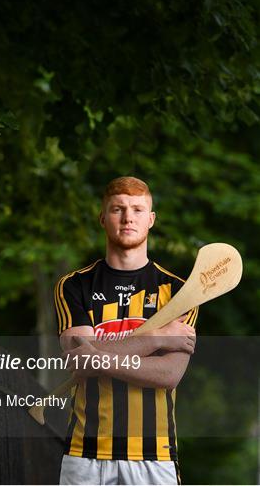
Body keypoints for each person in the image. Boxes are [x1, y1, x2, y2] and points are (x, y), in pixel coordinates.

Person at [54, 176, 198, 485]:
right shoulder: (74, 286)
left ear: (151, 219)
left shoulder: (180, 292)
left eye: (137, 209)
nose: (128, 217)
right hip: (85, 451)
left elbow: (169, 374)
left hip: (154, 454)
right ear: (103, 218)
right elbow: (78, 362)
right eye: (118, 209)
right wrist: (156, 337)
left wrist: (97, 356)